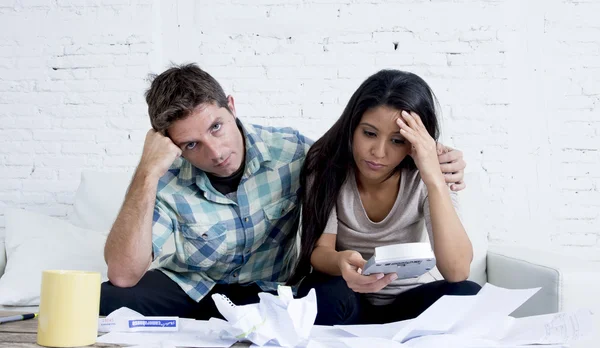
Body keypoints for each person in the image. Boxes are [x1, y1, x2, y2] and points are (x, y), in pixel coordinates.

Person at [100, 63, 469, 320]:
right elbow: (123, 274)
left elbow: (456, 270)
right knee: (104, 299)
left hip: (267, 291)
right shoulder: (165, 176)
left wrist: (437, 167)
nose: (215, 152)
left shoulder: (291, 151)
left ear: (231, 106)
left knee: (465, 295)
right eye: (191, 144)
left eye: (216, 127)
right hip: (192, 287)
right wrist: (146, 173)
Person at [292, 69, 481, 325]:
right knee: (318, 293)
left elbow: (457, 271)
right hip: (348, 296)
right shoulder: (327, 164)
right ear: (352, 127)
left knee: (468, 294)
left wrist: (434, 179)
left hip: (407, 302)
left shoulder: (430, 171)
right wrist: (340, 262)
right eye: (369, 133)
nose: (378, 152)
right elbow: (320, 251)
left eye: (396, 140)